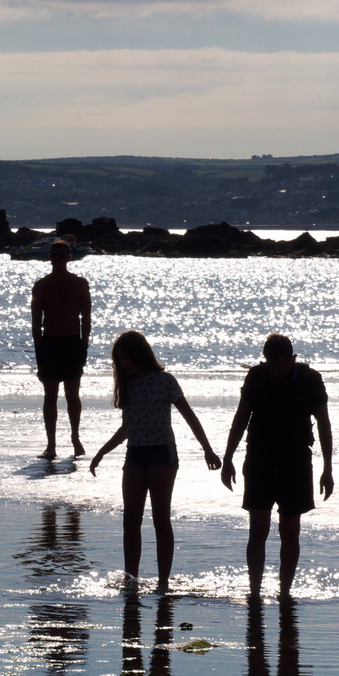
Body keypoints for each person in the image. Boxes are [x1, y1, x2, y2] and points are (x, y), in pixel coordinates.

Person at [89, 331, 220, 594]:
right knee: (131, 520)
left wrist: (208, 449)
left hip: (162, 454)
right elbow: (127, 427)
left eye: (126, 358)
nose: (123, 364)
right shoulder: (128, 385)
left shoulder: (165, 381)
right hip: (135, 454)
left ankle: (163, 581)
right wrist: (102, 452)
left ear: (139, 355)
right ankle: (131, 579)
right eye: (119, 360)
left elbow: (190, 417)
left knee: (161, 518)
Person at [221, 333, 333, 600]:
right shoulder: (257, 376)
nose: (277, 372)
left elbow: (325, 425)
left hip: (296, 461)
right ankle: (255, 591)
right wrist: (228, 459)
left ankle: (284, 592)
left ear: (292, 359)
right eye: (272, 367)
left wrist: (327, 468)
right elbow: (240, 418)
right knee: (258, 527)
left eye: (282, 367)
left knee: (290, 531)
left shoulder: (310, 379)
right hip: (259, 457)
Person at [30, 239, 92, 459]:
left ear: (69, 257)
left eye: (61, 255)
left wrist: (84, 343)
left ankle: (75, 437)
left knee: (72, 394)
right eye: (54, 255)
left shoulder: (79, 283)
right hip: (50, 343)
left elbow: (86, 315)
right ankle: (51, 445)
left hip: (72, 342)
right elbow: (36, 321)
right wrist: (39, 346)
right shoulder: (41, 285)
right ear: (49, 258)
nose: (57, 259)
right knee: (50, 396)